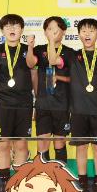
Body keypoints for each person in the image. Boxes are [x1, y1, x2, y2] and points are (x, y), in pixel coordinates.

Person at [49, 18, 97, 192]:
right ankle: (82, 183)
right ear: (78, 35)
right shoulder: (72, 56)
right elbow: (53, 60)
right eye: (84, 31)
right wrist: (52, 40)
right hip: (78, 110)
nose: (87, 34)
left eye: (91, 31)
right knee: (81, 148)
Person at [0, 14, 33, 192]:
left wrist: (30, 47)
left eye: (16, 26)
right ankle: (4, 182)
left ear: (22, 29)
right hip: (3, 104)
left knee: (21, 144)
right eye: (8, 26)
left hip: (24, 104)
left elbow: (32, 65)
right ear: (2, 30)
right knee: (3, 144)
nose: (12, 29)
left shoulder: (27, 49)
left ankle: (18, 183)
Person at [26, 16, 70, 165]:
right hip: (43, 104)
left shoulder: (70, 53)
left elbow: (73, 79)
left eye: (56, 29)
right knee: (42, 142)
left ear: (64, 31)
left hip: (61, 104)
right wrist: (30, 47)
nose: (53, 32)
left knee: (59, 142)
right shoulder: (39, 50)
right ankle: (43, 176)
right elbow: (30, 64)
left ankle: (61, 175)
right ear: (45, 32)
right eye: (49, 29)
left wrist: (59, 77)